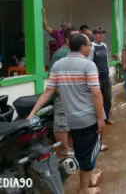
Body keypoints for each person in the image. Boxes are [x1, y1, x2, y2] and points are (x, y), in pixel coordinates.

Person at [27, 33, 104, 194]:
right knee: (89, 152)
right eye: (89, 45)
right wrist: (100, 118)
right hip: (88, 118)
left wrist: (32, 113)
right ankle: (84, 189)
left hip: (72, 119)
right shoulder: (88, 65)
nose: (90, 48)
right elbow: (96, 93)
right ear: (82, 48)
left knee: (82, 150)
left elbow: (48, 91)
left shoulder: (58, 65)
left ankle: (90, 179)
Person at [49, 28, 79, 157]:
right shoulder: (60, 54)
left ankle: (71, 145)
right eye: (76, 36)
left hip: (74, 95)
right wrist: (61, 93)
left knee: (71, 122)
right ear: (67, 40)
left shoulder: (74, 53)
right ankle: (65, 149)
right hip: (63, 95)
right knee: (62, 124)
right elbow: (53, 76)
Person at [88, 27, 113, 152]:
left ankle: (107, 117)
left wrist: (108, 71)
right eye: (99, 34)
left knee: (108, 98)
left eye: (103, 34)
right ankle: (99, 119)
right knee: (99, 100)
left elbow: (106, 60)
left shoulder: (104, 45)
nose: (101, 36)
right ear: (94, 35)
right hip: (96, 78)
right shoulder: (91, 47)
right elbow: (89, 62)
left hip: (106, 76)